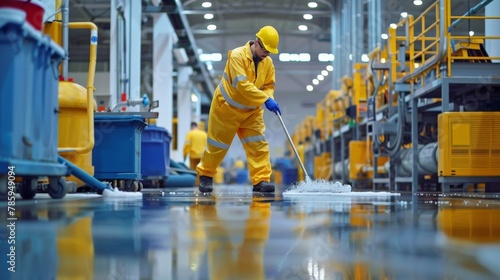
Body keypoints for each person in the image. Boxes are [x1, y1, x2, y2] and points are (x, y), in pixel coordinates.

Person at [196, 26, 281, 193]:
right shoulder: (237, 56)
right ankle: (206, 175)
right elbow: (242, 85)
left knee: (259, 145)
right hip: (226, 109)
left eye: (270, 52)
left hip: (252, 112)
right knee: (217, 146)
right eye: (265, 50)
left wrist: (269, 96)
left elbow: (269, 84)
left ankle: (261, 180)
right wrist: (265, 99)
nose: (267, 54)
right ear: (257, 43)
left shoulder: (268, 62)